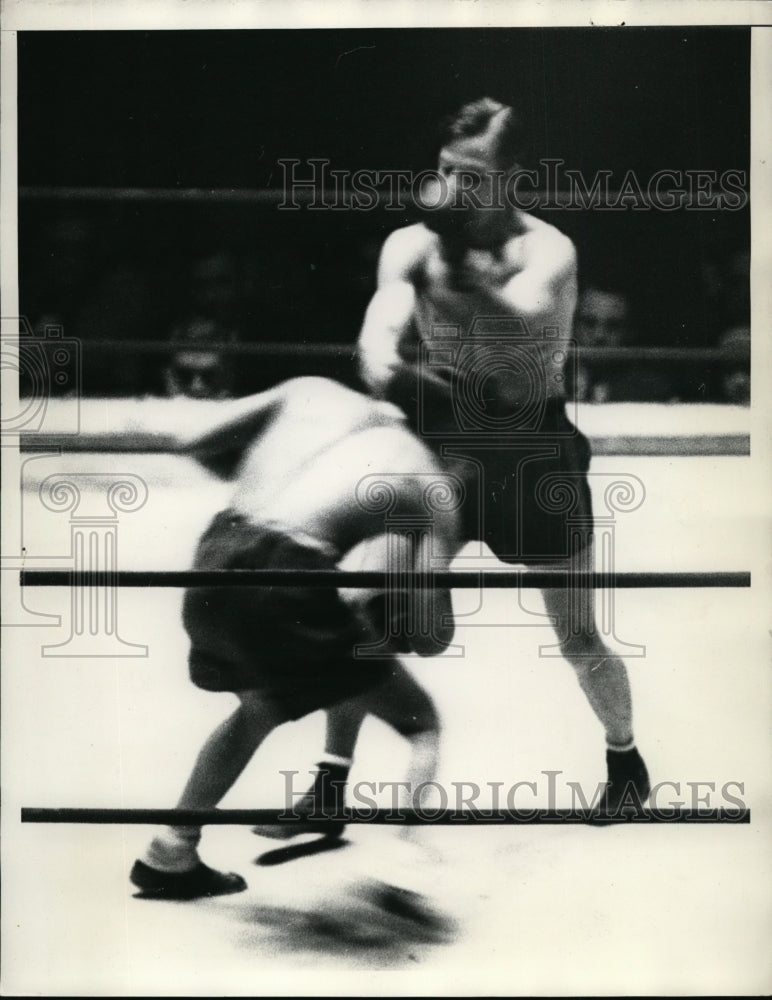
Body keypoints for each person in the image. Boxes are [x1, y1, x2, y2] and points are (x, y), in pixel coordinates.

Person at [313, 98, 650, 819]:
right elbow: (382, 325)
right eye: (445, 172)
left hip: (534, 446)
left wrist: (464, 274)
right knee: (367, 611)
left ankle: (625, 759)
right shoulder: (408, 245)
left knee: (578, 634)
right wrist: (381, 362)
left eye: (474, 176)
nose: (456, 188)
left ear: (512, 178)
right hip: (445, 441)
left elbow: (527, 310)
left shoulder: (548, 247)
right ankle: (330, 779)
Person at [129, 376, 461, 904]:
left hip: (217, 550)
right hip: (289, 573)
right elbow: (428, 633)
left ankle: (170, 851)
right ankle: (404, 856)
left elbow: (191, 441)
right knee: (423, 725)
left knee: (260, 707)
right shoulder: (428, 475)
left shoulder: (311, 390)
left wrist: (270, 498)